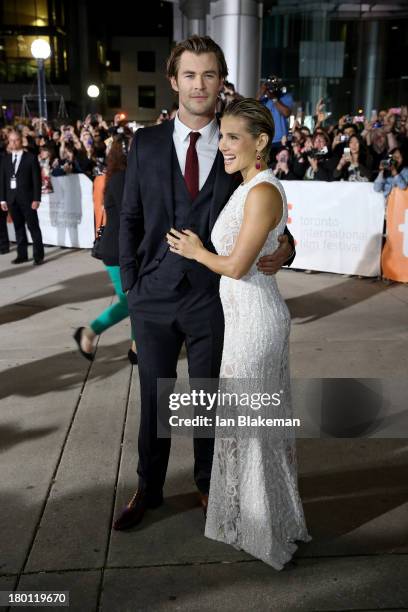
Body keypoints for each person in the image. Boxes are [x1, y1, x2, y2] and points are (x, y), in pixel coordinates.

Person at [114, 35, 296, 531]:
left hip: (215, 299)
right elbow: (128, 218)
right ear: (174, 81)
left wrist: (287, 247)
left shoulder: (234, 140)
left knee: (210, 401)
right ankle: (147, 488)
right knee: (156, 400)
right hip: (151, 298)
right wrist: (132, 294)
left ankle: (208, 484)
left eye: (209, 75)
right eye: (190, 75)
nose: (199, 85)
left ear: (221, 82)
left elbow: (264, 207)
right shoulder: (145, 143)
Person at [166, 98, 311, 570]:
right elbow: (269, 242)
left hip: (257, 324)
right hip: (244, 322)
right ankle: (258, 518)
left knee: (253, 426)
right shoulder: (247, 185)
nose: (223, 146)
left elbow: (236, 264)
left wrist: (195, 251)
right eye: (222, 136)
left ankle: (265, 526)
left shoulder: (262, 190)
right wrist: (284, 245)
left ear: (261, 141)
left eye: (233, 137)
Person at [73, 135, 137, 364]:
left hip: (123, 248)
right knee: (130, 302)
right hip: (118, 249)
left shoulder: (121, 176)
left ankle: (136, 348)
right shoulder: (121, 178)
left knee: (135, 300)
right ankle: (88, 333)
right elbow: (128, 216)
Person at [0, 130, 44, 265]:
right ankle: (22, 255)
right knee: (18, 228)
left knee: (33, 227)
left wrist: (37, 199)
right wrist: (2, 199)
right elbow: (2, 180)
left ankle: (38, 255)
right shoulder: (5, 159)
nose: (13, 143)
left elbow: (37, 180)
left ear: (21, 141)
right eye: (11, 140)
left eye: (16, 140)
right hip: (12, 199)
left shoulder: (30, 157)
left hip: (28, 199)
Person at [258, 75, 293, 157]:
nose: (272, 87)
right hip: (265, 141)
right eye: (269, 85)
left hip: (281, 140)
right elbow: (252, 108)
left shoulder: (285, 97)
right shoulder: (264, 100)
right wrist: (261, 93)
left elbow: (286, 113)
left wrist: (274, 98)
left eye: (274, 84)